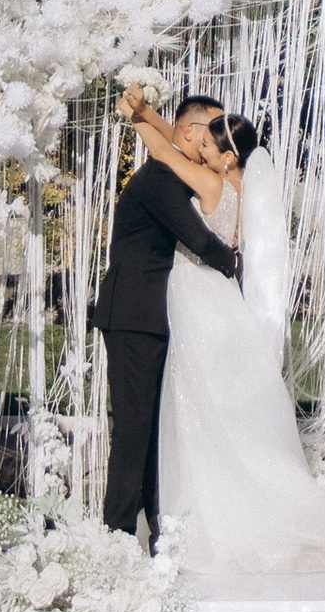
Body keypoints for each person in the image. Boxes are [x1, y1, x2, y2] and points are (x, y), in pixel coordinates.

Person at [120, 100, 325, 578]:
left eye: (208, 147)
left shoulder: (211, 184)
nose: (200, 151)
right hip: (225, 301)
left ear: (226, 157)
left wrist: (138, 118)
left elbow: (166, 153)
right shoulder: (243, 186)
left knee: (195, 402)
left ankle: (204, 518)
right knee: (220, 407)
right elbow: (182, 143)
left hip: (197, 298)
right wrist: (150, 113)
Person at [92, 95, 244, 539]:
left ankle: (156, 530)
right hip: (133, 315)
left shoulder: (175, 171)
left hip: (151, 316)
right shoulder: (161, 179)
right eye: (212, 130)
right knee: (134, 427)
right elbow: (198, 239)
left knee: (152, 427)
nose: (217, 139)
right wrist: (235, 266)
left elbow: (164, 139)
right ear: (192, 132)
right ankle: (118, 532)